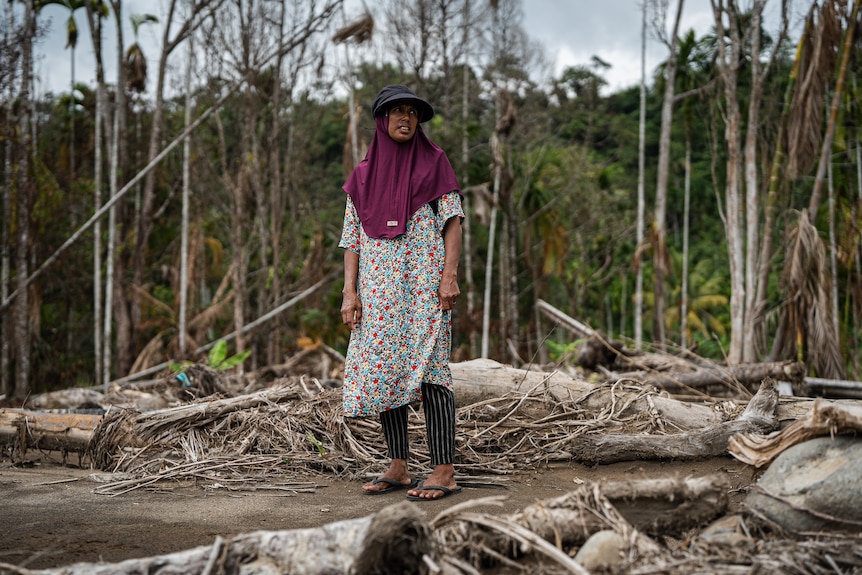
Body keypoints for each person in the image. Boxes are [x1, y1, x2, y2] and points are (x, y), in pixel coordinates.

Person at [339, 85, 464, 501]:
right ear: (381, 119)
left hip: (424, 289)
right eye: (396, 112)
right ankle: (399, 465)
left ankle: (444, 469)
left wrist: (449, 275)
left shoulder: (435, 163)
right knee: (386, 371)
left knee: (432, 373)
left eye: (412, 112)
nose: (406, 118)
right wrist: (349, 292)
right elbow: (352, 239)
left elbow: (453, 222)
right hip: (379, 294)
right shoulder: (362, 175)